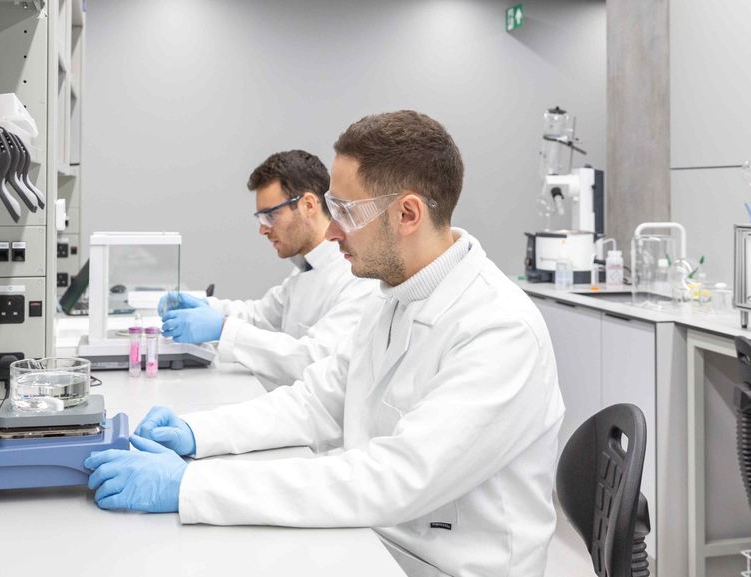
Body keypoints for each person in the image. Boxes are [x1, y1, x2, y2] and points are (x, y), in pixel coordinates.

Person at [86, 111, 565, 577]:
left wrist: (191, 486)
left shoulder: (499, 329)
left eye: (346, 211)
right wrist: (195, 434)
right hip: (376, 540)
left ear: (408, 213)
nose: (331, 230)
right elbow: (314, 402)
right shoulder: (392, 296)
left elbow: (393, 479)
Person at [159, 150, 376, 387]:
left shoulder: (355, 277)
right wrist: (205, 305)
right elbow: (260, 316)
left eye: (271, 216)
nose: (263, 229)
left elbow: (314, 359)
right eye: (261, 219)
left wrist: (222, 329)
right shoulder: (305, 269)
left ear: (308, 205)